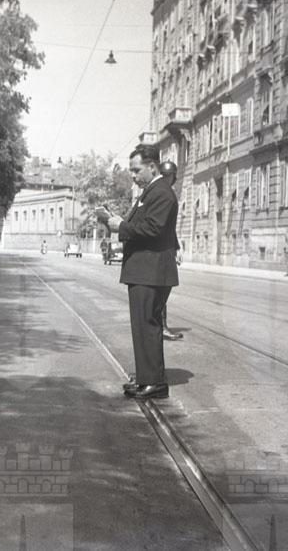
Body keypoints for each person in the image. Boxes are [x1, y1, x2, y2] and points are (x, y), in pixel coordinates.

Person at [106, 143, 178, 400]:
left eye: (137, 170)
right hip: (144, 270)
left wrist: (121, 226)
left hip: (151, 271)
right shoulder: (151, 192)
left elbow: (153, 229)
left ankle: (155, 383)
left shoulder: (161, 192)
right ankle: (147, 378)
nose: (133, 175)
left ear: (152, 167)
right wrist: (117, 221)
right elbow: (143, 224)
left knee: (147, 325)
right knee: (142, 326)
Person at [160, 160, 183, 341]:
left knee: (162, 289)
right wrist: (174, 248)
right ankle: (162, 327)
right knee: (163, 288)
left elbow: (168, 227)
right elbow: (165, 227)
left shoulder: (163, 192)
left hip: (166, 248)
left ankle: (161, 326)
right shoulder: (166, 195)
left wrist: (176, 247)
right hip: (162, 251)